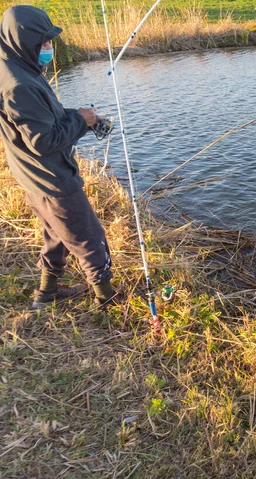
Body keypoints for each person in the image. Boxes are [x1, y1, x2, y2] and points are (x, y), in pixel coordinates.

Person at [0, 5, 117, 308]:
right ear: (26, 41)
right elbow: (43, 140)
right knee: (88, 237)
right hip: (51, 177)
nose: (50, 48)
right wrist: (81, 122)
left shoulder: (14, 66)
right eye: (45, 42)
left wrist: (80, 117)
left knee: (55, 233)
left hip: (34, 177)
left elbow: (42, 117)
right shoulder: (20, 85)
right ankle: (108, 301)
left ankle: (46, 294)